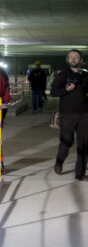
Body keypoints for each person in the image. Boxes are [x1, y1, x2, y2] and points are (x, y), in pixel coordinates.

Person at [50, 49, 88, 180]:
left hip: (84, 115)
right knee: (66, 142)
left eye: (76, 57)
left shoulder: (85, 76)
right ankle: (59, 162)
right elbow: (53, 92)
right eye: (71, 57)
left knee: (84, 144)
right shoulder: (62, 75)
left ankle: (80, 173)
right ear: (67, 60)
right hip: (67, 115)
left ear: (81, 60)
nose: (73, 59)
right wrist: (66, 89)